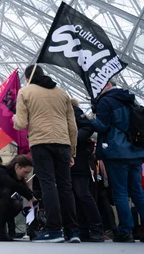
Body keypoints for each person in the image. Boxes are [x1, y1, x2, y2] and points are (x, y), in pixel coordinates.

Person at [13, 64, 79, 243]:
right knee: (66, 186)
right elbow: (72, 125)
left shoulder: (25, 92)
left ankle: (54, 229)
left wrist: (13, 118)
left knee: (48, 185)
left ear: (27, 78)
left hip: (41, 143)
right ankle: (73, 230)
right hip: (63, 143)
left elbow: (20, 123)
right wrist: (72, 150)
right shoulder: (62, 93)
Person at [90, 81, 144, 243]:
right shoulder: (130, 99)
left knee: (120, 192)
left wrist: (88, 119)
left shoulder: (106, 101)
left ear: (106, 85)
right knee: (137, 192)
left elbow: (102, 126)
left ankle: (125, 231)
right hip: (135, 151)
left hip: (116, 152)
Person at [70, 99, 104, 242]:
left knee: (83, 194)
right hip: (69, 159)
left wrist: (73, 139)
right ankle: (83, 229)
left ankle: (96, 228)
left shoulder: (73, 111)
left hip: (78, 159)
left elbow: (87, 127)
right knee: (76, 196)